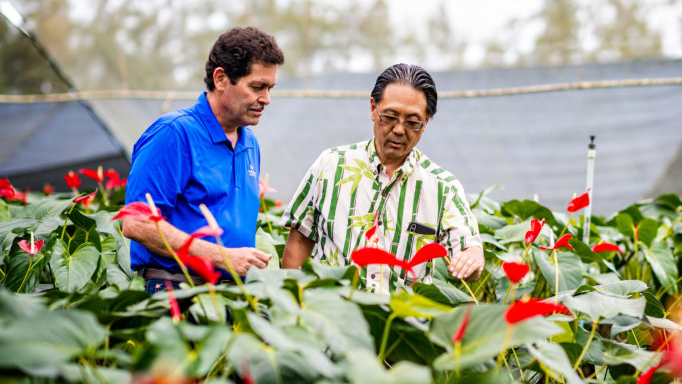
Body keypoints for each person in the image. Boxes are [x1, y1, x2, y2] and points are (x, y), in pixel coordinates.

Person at [281, 63, 484, 293]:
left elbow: (469, 250)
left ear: (426, 122)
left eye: (412, 122)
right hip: (333, 314)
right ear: (372, 108)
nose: (398, 129)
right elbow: (299, 241)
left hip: (403, 321)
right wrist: (293, 303)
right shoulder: (330, 166)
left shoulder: (443, 188)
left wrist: (472, 260)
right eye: (389, 116)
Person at [122, 27, 284, 294]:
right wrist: (222, 256)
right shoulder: (175, 133)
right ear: (220, 79)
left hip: (232, 294)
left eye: (270, 88)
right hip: (177, 291)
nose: (266, 99)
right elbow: (137, 222)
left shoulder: (249, 143)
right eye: (257, 87)